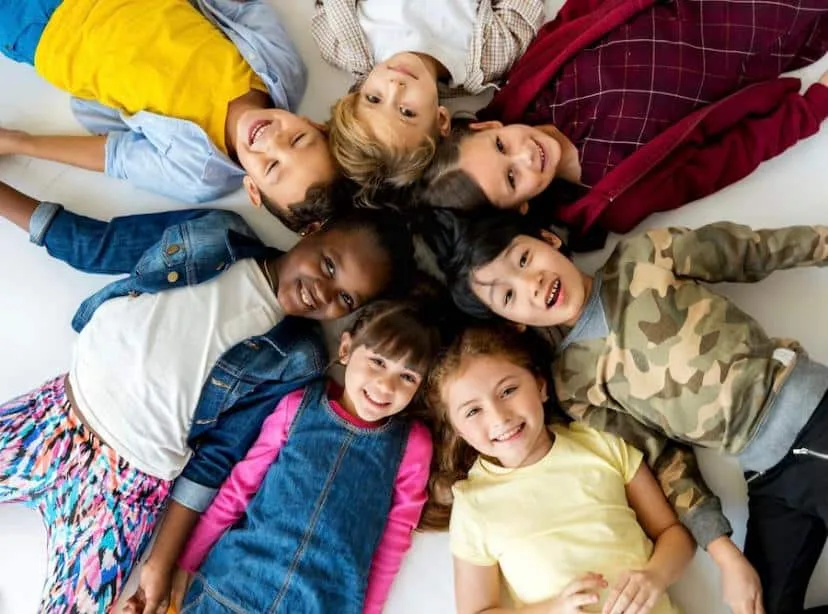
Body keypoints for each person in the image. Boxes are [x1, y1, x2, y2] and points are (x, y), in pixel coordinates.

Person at [0, 178, 415, 614]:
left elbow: (218, 455)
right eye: (329, 266)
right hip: (52, 417)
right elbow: (99, 245)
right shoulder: (216, 233)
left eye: (345, 298)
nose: (324, 292)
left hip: (125, 488)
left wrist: (163, 561)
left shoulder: (298, 356)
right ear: (313, 230)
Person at [437, 209, 828, 614]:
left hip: (810, 419)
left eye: (523, 259)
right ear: (511, 322)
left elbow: (752, 250)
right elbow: (665, 458)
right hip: (766, 470)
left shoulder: (644, 256)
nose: (530, 284)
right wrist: (725, 554)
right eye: (508, 296)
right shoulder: (574, 384)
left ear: (549, 240)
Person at [417, 0, 828, 247]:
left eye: (502, 148)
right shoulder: (611, 195)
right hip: (771, 31)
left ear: (487, 129)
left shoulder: (534, 86)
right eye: (511, 178)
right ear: (521, 206)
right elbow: (726, 158)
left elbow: (582, 10)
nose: (525, 155)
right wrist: (812, 109)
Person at [151, 299, 441, 614]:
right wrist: (186, 562)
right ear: (345, 349)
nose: (386, 385)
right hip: (233, 588)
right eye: (378, 362)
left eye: (408, 377)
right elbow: (237, 490)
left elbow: (394, 540)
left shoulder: (412, 445)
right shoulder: (297, 406)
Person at [0, 0, 338, 233]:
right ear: (313, 124)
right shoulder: (285, 69)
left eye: (272, 167)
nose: (272, 141)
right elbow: (241, 6)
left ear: (253, 188)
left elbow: (113, 155)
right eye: (298, 140)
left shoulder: (198, 176)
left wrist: (18, 142)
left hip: (48, 31)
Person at [427, 324, 695, 614]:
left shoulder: (601, 445)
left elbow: (674, 534)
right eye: (472, 411)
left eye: (508, 391)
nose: (499, 416)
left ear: (540, 386)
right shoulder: (473, 504)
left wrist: (655, 576)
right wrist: (554, 608)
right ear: (460, 433)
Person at [312, 0, 544, 198]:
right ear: (441, 119)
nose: (395, 87)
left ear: (357, 93)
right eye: (407, 112)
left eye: (373, 98)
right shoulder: (489, 59)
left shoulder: (342, 45)